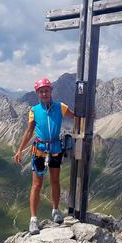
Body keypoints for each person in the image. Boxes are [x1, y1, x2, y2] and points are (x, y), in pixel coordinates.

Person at [14, 77, 74, 234]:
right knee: (36, 185)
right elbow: (29, 132)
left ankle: (55, 211)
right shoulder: (34, 111)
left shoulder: (61, 107)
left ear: (51, 91)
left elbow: (75, 116)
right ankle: (33, 220)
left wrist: (89, 116)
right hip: (39, 150)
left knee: (55, 181)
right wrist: (20, 150)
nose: (44, 93)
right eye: (41, 91)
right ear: (37, 93)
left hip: (55, 148)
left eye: (46, 90)